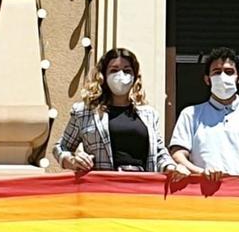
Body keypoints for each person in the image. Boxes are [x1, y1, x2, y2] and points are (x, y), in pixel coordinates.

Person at [53, 48, 186, 178]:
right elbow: (61, 147)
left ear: (135, 77)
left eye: (127, 70)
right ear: (103, 75)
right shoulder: (83, 112)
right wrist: (72, 161)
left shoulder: (149, 114)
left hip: (141, 189)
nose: (121, 75)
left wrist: (172, 167)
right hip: (102, 189)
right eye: (114, 70)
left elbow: (159, 153)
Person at [169, 47, 239, 181]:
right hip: (203, 194)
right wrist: (202, 172)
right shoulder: (190, 114)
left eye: (229, 72)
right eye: (217, 72)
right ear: (207, 79)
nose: (223, 77)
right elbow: (178, 154)